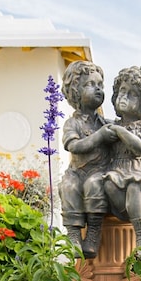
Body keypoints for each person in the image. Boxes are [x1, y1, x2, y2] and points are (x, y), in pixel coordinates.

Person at [58, 61, 118, 258]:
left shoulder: (106, 123)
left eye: (100, 85)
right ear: (76, 92)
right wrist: (99, 136)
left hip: (99, 171)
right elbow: (74, 146)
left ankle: (93, 231)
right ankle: (74, 234)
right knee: (68, 186)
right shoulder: (72, 123)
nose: (98, 89)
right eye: (91, 84)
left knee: (94, 185)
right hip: (76, 172)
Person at [103, 66, 141, 249]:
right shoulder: (109, 126)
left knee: (134, 187)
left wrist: (120, 131)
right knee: (108, 184)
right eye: (122, 91)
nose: (124, 97)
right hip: (115, 174)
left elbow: (140, 148)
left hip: (138, 174)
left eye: (132, 94)